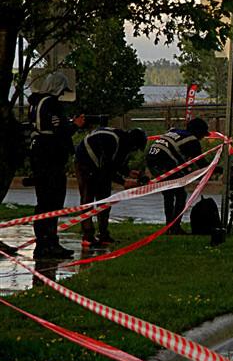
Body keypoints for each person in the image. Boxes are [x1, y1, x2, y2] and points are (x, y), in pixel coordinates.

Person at [27, 72, 84, 259]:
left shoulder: (35, 103)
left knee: (43, 201)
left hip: (38, 154)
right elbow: (59, 131)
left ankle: (43, 243)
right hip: (50, 157)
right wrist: (75, 125)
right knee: (52, 201)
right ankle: (49, 243)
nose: (61, 95)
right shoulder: (51, 104)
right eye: (61, 91)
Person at [75, 127, 148, 246]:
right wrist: (123, 182)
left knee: (104, 200)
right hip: (85, 162)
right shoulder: (112, 141)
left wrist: (128, 172)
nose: (133, 151)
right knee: (88, 200)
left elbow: (115, 163)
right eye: (134, 148)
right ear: (132, 143)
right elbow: (107, 167)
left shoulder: (123, 141)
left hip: (99, 163)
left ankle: (103, 234)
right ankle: (87, 236)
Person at [146, 118, 212, 234]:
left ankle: (169, 226)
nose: (202, 138)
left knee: (169, 194)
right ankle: (174, 227)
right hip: (165, 161)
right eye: (202, 135)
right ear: (198, 131)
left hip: (152, 160)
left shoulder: (176, 132)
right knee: (180, 195)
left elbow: (182, 159)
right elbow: (200, 162)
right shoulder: (192, 140)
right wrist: (214, 168)